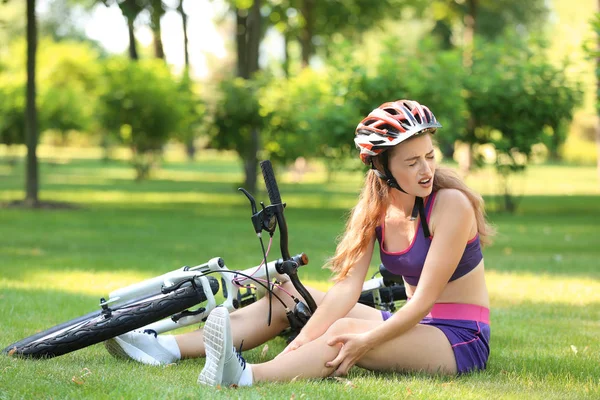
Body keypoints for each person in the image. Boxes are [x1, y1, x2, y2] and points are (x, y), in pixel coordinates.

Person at [106, 99, 495, 387]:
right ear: (382, 167)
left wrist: (363, 341)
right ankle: (167, 349)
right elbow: (345, 291)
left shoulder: (450, 205)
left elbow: (425, 301)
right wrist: (303, 339)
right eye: (412, 162)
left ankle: (244, 377)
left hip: (460, 338)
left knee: (345, 331)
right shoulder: (376, 212)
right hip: (412, 324)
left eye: (429, 156)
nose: (426, 169)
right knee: (292, 294)